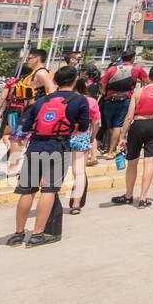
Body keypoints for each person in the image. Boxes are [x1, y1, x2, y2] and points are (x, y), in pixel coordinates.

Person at [6, 65, 90, 247]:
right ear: (75, 80)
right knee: (49, 190)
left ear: (55, 81)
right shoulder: (79, 100)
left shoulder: (41, 101)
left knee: (26, 191)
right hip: (58, 148)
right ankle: (37, 234)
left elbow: (25, 127)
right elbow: (83, 127)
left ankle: (18, 234)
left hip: (35, 146)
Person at [113, 63, 153, 209]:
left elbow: (129, 117)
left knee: (132, 162)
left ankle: (128, 195)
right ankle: (142, 198)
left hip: (138, 125)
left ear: (149, 75)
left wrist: (122, 137)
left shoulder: (138, 92)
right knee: (149, 162)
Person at [100, 50, 146, 158]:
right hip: (126, 100)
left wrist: (104, 93)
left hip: (109, 100)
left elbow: (103, 84)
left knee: (110, 125)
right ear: (132, 58)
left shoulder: (112, 69)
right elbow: (147, 81)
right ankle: (112, 151)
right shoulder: (136, 69)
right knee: (117, 125)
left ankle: (117, 145)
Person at [67, 76, 101, 214]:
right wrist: (92, 138)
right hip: (81, 135)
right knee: (79, 171)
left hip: (62, 134)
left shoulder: (66, 98)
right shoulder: (91, 101)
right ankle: (76, 204)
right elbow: (96, 122)